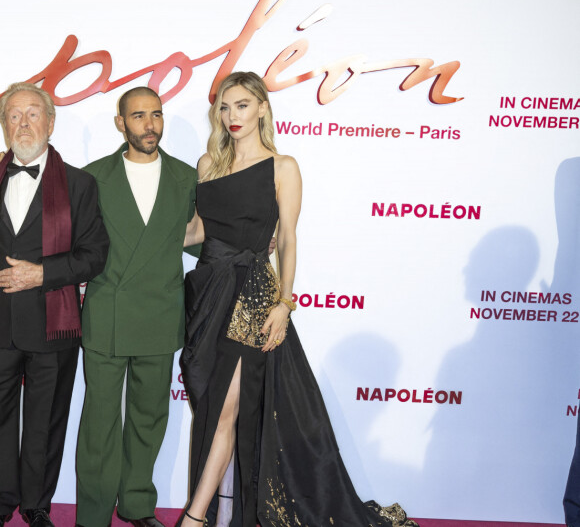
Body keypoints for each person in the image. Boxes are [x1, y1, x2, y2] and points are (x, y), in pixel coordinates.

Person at [178, 72, 418, 527]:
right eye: (225, 107)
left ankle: (194, 518)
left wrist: (284, 303)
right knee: (213, 407)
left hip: (252, 295)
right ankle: (219, 512)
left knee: (228, 408)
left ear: (263, 108)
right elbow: (197, 230)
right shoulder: (208, 164)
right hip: (208, 295)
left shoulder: (282, 167)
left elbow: (287, 237)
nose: (232, 116)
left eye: (243, 105)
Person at [75, 87, 200, 527]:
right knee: (99, 424)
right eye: (139, 115)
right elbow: (78, 247)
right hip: (108, 314)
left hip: (161, 314)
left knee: (149, 420)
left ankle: (137, 506)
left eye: (157, 115)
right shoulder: (92, 177)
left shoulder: (187, 178)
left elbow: (200, 242)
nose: (150, 124)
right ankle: (92, 515)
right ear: (120, 123)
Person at [0, 82, 109, 527]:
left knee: (45, 421)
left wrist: (40, 273)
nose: (23, 123)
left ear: (50, 121)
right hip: (0, 325)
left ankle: (36, 504)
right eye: (13, 115)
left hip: (53, 324)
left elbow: (94, 255)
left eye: (32, 114)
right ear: (4, 125)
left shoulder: (81, 184)